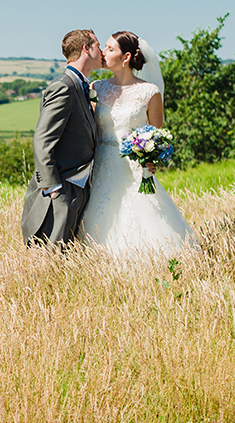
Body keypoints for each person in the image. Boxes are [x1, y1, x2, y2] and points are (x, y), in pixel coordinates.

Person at [79, 31, 197, 255]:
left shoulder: (150, 93)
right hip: (101, 165)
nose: (103, 53)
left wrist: (151, 159)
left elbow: (158, 136)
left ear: (126, 57)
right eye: (104, 47)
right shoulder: (96, 88)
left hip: (134, 169)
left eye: (110, 49)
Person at [21, 29, 103, 247]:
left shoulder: (81, 85)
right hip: (60, 191)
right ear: (86, 49)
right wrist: (54, 188)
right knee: (51, 259)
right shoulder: (64, 86)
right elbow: (42, 140)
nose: (102, 51)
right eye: (98, 45)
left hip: (78, 187)